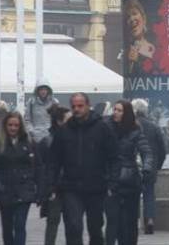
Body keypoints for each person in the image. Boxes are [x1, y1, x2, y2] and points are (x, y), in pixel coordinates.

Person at [50, 92, 118, 245]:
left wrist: (112, 182)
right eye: (73, 106)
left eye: (80, 106)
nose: (76, 109)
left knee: (95, 227)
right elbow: (54, 160)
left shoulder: (102, 128)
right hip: (71, 187)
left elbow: (114, 157)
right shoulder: (64, 130)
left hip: (96, 186)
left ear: (88, 106)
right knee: (73, 226)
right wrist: (53, 183)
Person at [106, 100, 154, 245]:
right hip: (110, 181)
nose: (116, 113)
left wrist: (147, 167)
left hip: (129, 181)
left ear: (126, 113)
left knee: (130, 221)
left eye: (120, 110)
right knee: (113, 221)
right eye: (115, 109)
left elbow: (146, 152)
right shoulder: (106, 128)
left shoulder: (135, 131)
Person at [0, 111, 37, 245]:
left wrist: (32, 184)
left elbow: (35, 165)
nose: (13, 128)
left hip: (24, 190)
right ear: (5, 125)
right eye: (10, 125)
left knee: (20, 225)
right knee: (7, 227)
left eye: (16, 125)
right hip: (5, 190)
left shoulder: (28, 141)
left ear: (20, 126)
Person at [131, 99, 166, 234]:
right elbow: (162, 149)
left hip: (133, 167)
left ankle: (133, 222)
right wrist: (158, 165)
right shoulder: (154, 127)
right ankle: (150, 220)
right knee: (149, 194)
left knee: (133, 195)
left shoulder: (130, 126)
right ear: (146, 111)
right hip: (150, 166)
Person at [36, 105, 69, 245]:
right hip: (64, 186)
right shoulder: (62, 140)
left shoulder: (46, 141)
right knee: (71, 224)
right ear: (60, 121)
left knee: (53, 223)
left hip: (54, 188)